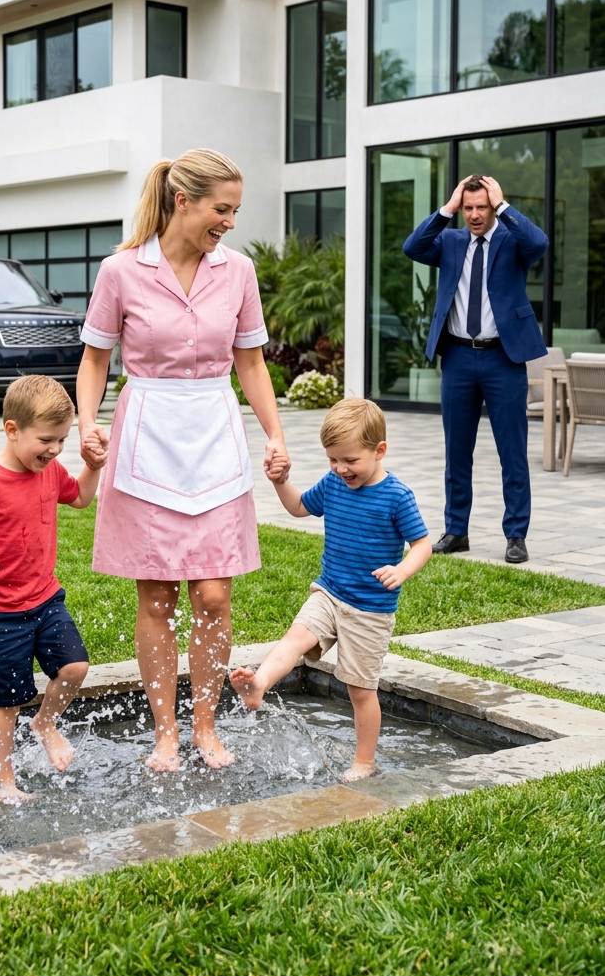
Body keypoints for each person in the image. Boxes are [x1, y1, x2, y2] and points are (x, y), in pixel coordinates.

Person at [76, 149, 291, 773]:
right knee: (157, 597)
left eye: (235, 211)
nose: (230, 222)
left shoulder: (239, 271)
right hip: (147, 437)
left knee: (215, 595)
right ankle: (165, 733)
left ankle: (206, 727)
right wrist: (87, 425)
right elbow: (95, 358)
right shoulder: (121, 270)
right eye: (222, 209)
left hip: (216, 436)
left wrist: (275, 435)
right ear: (182, 202)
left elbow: (251, 362)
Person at [230, 398, 431, 781]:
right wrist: (280, 482)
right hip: (329, 591)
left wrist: (402, 570)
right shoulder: (334, 484)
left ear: (379, 450)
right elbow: (298, 507)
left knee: (359, 689)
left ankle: (364, 761)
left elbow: (422, 544)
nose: (340, 468)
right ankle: (259, 685)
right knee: (295, 638)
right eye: (332, 459)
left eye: (350, 460)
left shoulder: (397, 496)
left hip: (370, 609)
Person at [0, 374, 103, 803]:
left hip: (45, 598)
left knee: (75, 667)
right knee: (6, 702)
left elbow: (81, 498)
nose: (55, 450)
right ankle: (4, 783)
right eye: (46, 440)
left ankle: (45, 723)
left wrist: (93, 466)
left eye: (62, 440)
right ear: (12, 430)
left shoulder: (49, 471)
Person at [403, 173, 548, 564]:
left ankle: (515, 536)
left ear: (492, 206)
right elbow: (412, 247)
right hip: (458, 358)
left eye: (481, 207)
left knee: (512, 451)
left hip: (504, 358)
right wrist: (446, 209)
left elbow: (539, 243)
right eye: (468, 208)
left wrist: (503, 205)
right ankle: (456, 531)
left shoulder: (512, 239)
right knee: (456, 451)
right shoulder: (450, 241)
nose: (474, 215)